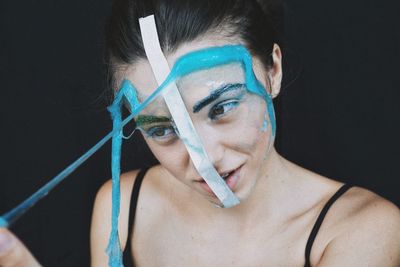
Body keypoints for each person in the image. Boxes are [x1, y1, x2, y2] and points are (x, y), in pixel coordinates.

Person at [1, 0, 399, 267]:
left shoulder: (363, 232)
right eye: (162, 130)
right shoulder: (122, 209)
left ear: (272, 71)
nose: (202, 159)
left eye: (222, 108)